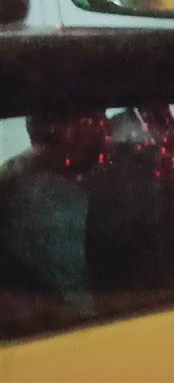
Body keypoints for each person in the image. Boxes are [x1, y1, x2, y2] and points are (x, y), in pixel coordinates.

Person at [0, 113, 108, 319]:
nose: (105, 129)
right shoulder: (58, 200)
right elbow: (84, 301)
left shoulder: (10, 175)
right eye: (94, 120)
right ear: (68, 130)